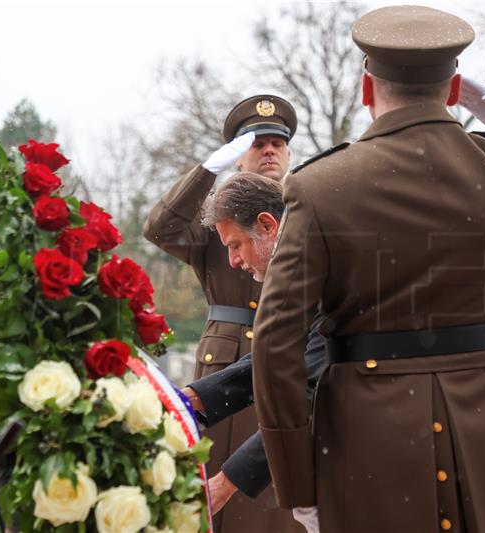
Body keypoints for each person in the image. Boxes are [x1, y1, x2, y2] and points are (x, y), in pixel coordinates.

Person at [251, 5, 485, 532]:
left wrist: (300, 487)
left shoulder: (320, 187)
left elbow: (276, 339)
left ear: (367, 89)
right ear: (456, 89)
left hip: (368, 439)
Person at [145, 96, 302, 532]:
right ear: (238, 157)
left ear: (289, 154)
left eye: (277, 144)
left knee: (277, 494)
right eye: (257, 144)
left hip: (293, 355)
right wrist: (207, 172)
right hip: (229, 363)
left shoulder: (305, 210)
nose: (269, 151)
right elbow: (160, 227)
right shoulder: (218, 225)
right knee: (219, 491)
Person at [175, 172, 328, 518]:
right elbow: (275, 360)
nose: (232, 261)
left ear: (267, 225)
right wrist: (188, 400)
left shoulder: (322, 268)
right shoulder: (303, 263)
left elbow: (310, 387)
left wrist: (223, 484)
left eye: (235, 245)